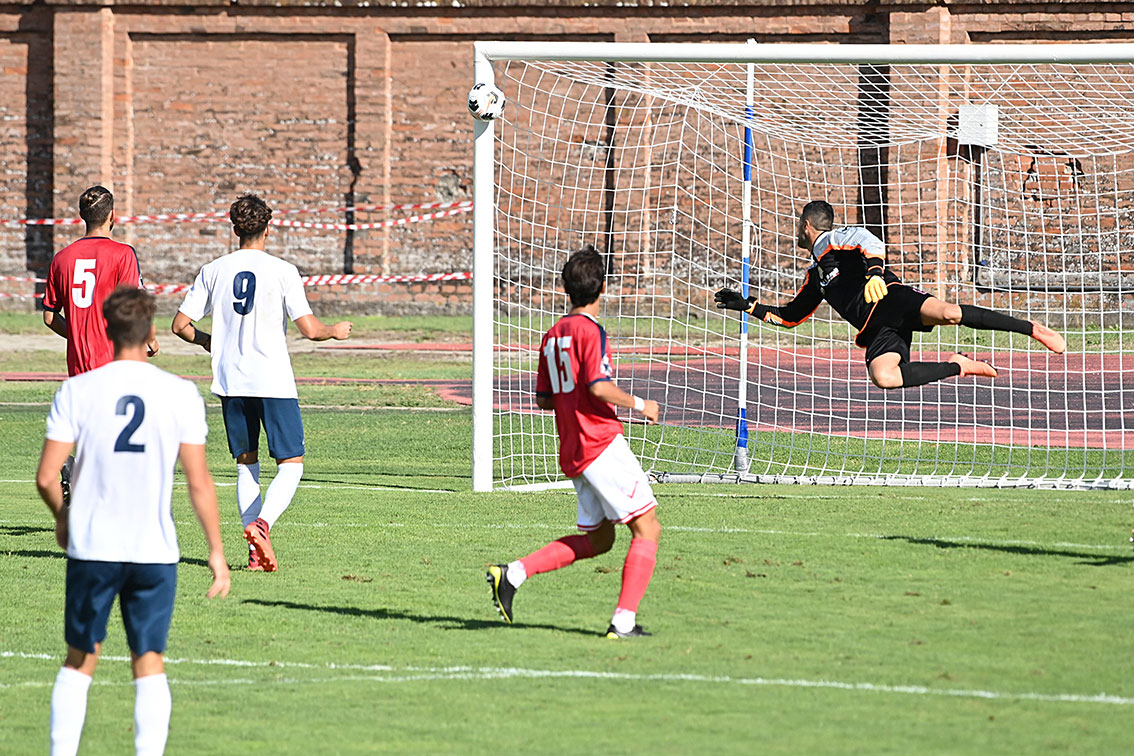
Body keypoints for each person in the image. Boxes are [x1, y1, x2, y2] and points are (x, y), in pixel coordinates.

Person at [35, 286, 229, 756]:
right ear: (149, 333)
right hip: (154, 550)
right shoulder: (179, 393)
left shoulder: (78, 390)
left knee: (80, 659)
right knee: (149, 660)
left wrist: (63, 519)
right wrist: (217, 553)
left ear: (106, 329)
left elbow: (45, 477)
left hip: (93, 546)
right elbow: (199, 483)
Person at [486, 245, 662, 639]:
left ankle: (511, 574)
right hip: (600, 443)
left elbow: (545, 399)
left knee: (600, 540)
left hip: (574, 449)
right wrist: (640, 404)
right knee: (647, 528)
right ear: (602, 289)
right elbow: (599, 387)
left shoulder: (553, 335)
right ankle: (623, 622)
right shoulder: (590, 330)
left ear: (567, 289)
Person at [171, 194, 352, 572]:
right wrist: (334, 331)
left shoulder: (213, 269)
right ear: (269, 228)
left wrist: (208, 341)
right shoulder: (282, 270)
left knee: (246, 465)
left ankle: (254, 554)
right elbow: (309, 329)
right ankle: (262, 526)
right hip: (271, 379)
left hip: (230, 381)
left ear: (235, 230)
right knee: (292, 464)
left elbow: (179, 325)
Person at [715, 200, 1066, 389]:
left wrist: (873, 273)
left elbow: (871, 242)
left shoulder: (834, 240)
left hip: (892, 300)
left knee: (948, 313)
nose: (797, 231)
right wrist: (748, 305)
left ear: (807, 225)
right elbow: (791, 317)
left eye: (798, 225)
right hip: (878, 329)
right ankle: (959, 365)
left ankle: (1031, 329)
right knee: (885, 377)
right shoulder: (815, 276)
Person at [41, 185, 159, 506]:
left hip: (79, 363)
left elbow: (50, 318)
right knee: (124, 439)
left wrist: (79, 333)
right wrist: (150, 340)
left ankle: (80, 478)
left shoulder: (62, 258)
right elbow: (135, 306)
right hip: (115, 360)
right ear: (111, 216)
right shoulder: (123, 254)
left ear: (83, 217)